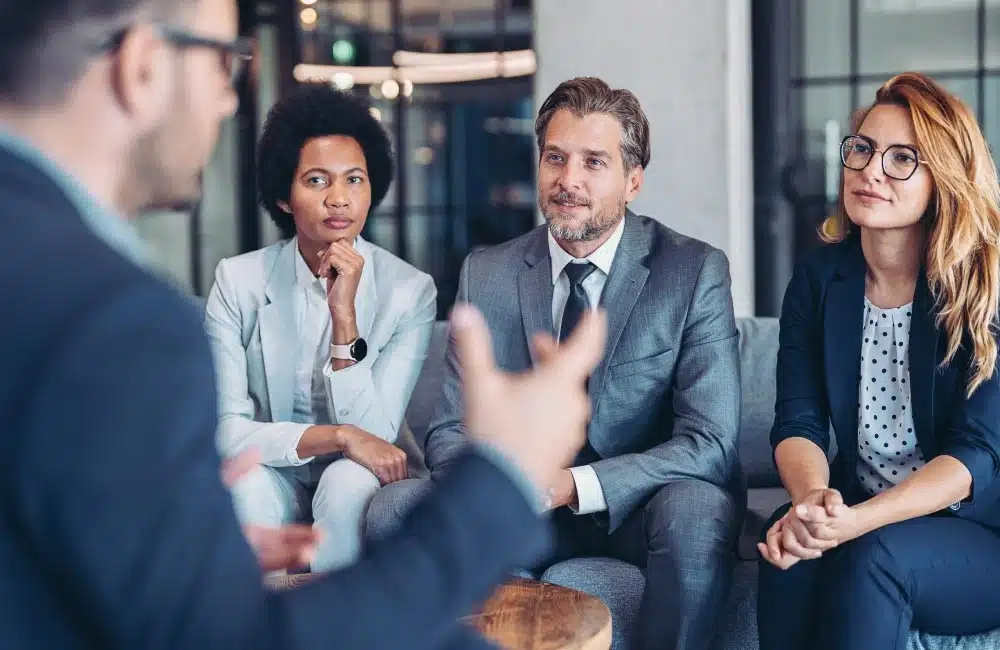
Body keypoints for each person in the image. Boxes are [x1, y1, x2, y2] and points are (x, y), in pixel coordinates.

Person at [0, 0, 609, 648]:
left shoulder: (39, 272)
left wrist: (190, 563)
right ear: (142, 63)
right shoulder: (117, 320)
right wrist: (505, 477)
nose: (230, 102)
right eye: (225, 63)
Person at [366, 76, 745, 650]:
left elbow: (709, 443)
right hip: (520, 506)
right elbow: (447, 430)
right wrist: (510, 480)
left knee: (698, 511)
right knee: (396, 507)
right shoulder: (487, 272)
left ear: (633, 181)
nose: (569, 180)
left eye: (594, 162)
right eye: (556, 158)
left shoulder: (692, 271)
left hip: (640, 510)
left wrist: (572, 484)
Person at [757, 71, 1000, 650]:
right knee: (785, 549)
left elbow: (975, 458)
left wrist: (857, 523)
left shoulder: (983, 287)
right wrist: (813, 502)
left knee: (874, 555)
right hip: (860, 508)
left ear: (941, 177)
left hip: (978, 530)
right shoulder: (819, 279)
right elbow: (799, 420)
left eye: (901, 159)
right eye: (862, 148)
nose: (871, 170)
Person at [204, 84, 436, 572]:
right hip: (274, 468)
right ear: (284, 198)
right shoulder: (238, 280)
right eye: (316, 180)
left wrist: (344, 315)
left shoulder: (409, 291)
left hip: (361, 477)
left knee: (345, 481)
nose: (339, 199)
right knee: (244, 484)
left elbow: (372, 438)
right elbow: (225, 431)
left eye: (355, 179)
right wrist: (337, 435)